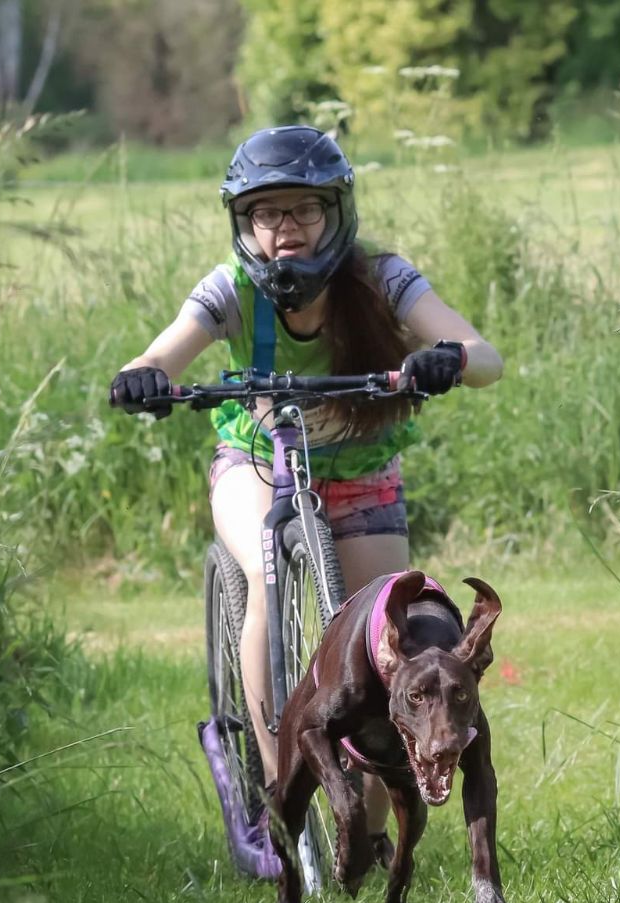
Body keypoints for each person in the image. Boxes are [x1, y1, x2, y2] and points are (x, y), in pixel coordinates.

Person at [110, 125, 503, 864]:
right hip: (258, 465)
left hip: (361, 474)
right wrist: (145, 376)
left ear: (335, 213)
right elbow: (163, 353)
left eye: (302, 211)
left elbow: (486, 356)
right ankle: (273, 791)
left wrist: (447, 359)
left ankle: (381, 826)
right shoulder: (229, 287)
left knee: (391, 635)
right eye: (266, 213)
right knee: (265, 574)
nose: (283, 229)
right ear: (243, 222)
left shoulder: (382, 277)